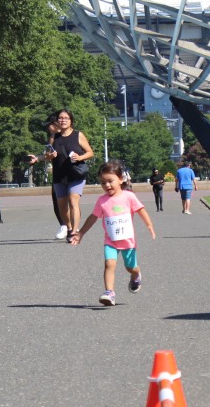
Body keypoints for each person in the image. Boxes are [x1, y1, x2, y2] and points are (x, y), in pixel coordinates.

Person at [71, 160, 155, 307]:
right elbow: (93, 217)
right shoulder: (102, 201)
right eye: (103, 183)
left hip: (127, 241)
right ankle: (109, 292)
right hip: (110, 241)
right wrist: (81, 232)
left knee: (130, 267)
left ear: (121, 179)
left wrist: (149, 225)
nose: (107, 185)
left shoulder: (128, 196)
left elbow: (140, 210)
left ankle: (136, 274)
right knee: (109, 264)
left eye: (110, 181)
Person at [44, 108, 94, 242]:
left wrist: (80, 157)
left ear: (71, 120)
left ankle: (73, 232)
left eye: (66, 118)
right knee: (62, 207)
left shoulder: (78, 135)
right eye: (60, 118)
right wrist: (50, 156)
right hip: (59, 175)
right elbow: (47, 155)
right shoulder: (54, 137)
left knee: (73, 201)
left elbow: (90, 152)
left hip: (75, 175)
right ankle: (69, 226)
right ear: (57, 121)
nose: (63, 120)